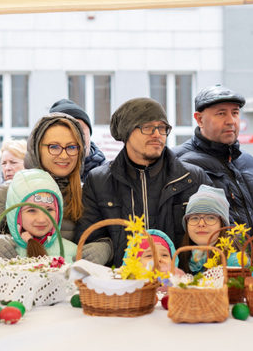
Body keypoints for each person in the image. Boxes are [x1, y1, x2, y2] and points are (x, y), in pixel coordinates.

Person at [75, 97, 211, 267]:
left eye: (162, 128)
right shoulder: (99, 181)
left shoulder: (192, 178)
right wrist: (105, 247)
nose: (157, 134)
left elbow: (219, 232)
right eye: (147, 127)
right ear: (126, 132)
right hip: (123, 287)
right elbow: (89, 236)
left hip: (180, 286)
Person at [0, 113, 107, 261]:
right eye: (54, 147)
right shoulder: (12, 190)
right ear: (37, 149)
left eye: (71, 147)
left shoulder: (85, 193)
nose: (64, 155)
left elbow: (105, 235)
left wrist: (105, 248)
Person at [174, 84, 253, 236]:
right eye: (221, 113)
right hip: (215, 259)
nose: (231, 121)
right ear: (199, 119)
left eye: (235, 113)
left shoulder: (249, 162)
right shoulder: (179, 163)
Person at [0, 169, 76, 262]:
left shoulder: (72, 252)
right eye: (32, 210)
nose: (42, 219)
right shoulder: (4, 251)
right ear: (16, 214)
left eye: (49, 209)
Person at [49, 99, 106, 182]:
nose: (75, 138)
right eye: (67, 131)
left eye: (80, 130)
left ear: (89, 135)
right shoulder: (40, 178)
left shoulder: (108, 175)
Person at [177, 185, 230, 275]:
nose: (201, 224)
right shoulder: (181, 260)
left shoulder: (235, 261)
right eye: (194, 218)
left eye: (210, 217)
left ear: (223, 224)